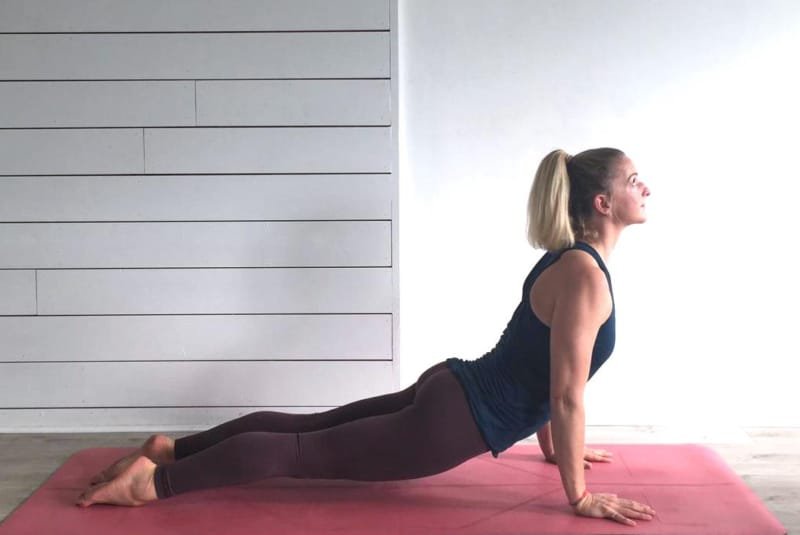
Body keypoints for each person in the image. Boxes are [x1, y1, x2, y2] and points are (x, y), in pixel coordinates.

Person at [76, 147, 655, 527]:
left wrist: (556, 449)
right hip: (456, 417)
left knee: (306, 432)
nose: (645, 187)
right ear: (603, 203)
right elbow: (565, 393)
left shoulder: (570, 259)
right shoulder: (584, 274)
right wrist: (577, 496)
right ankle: (154, 484)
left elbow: (546, 368)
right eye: (634, 180)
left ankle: (172, 449)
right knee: (304, 453)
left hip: (453, 388)